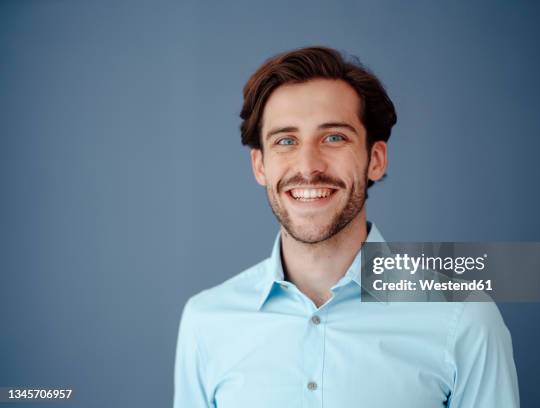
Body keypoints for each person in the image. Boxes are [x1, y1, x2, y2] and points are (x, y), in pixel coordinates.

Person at [173, 46, 519, 407]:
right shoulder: (206, 322)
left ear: (376, 159)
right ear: (260, 166)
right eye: (286, 141)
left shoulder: (464, 319)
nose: (308, 165)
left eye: (334, 137)